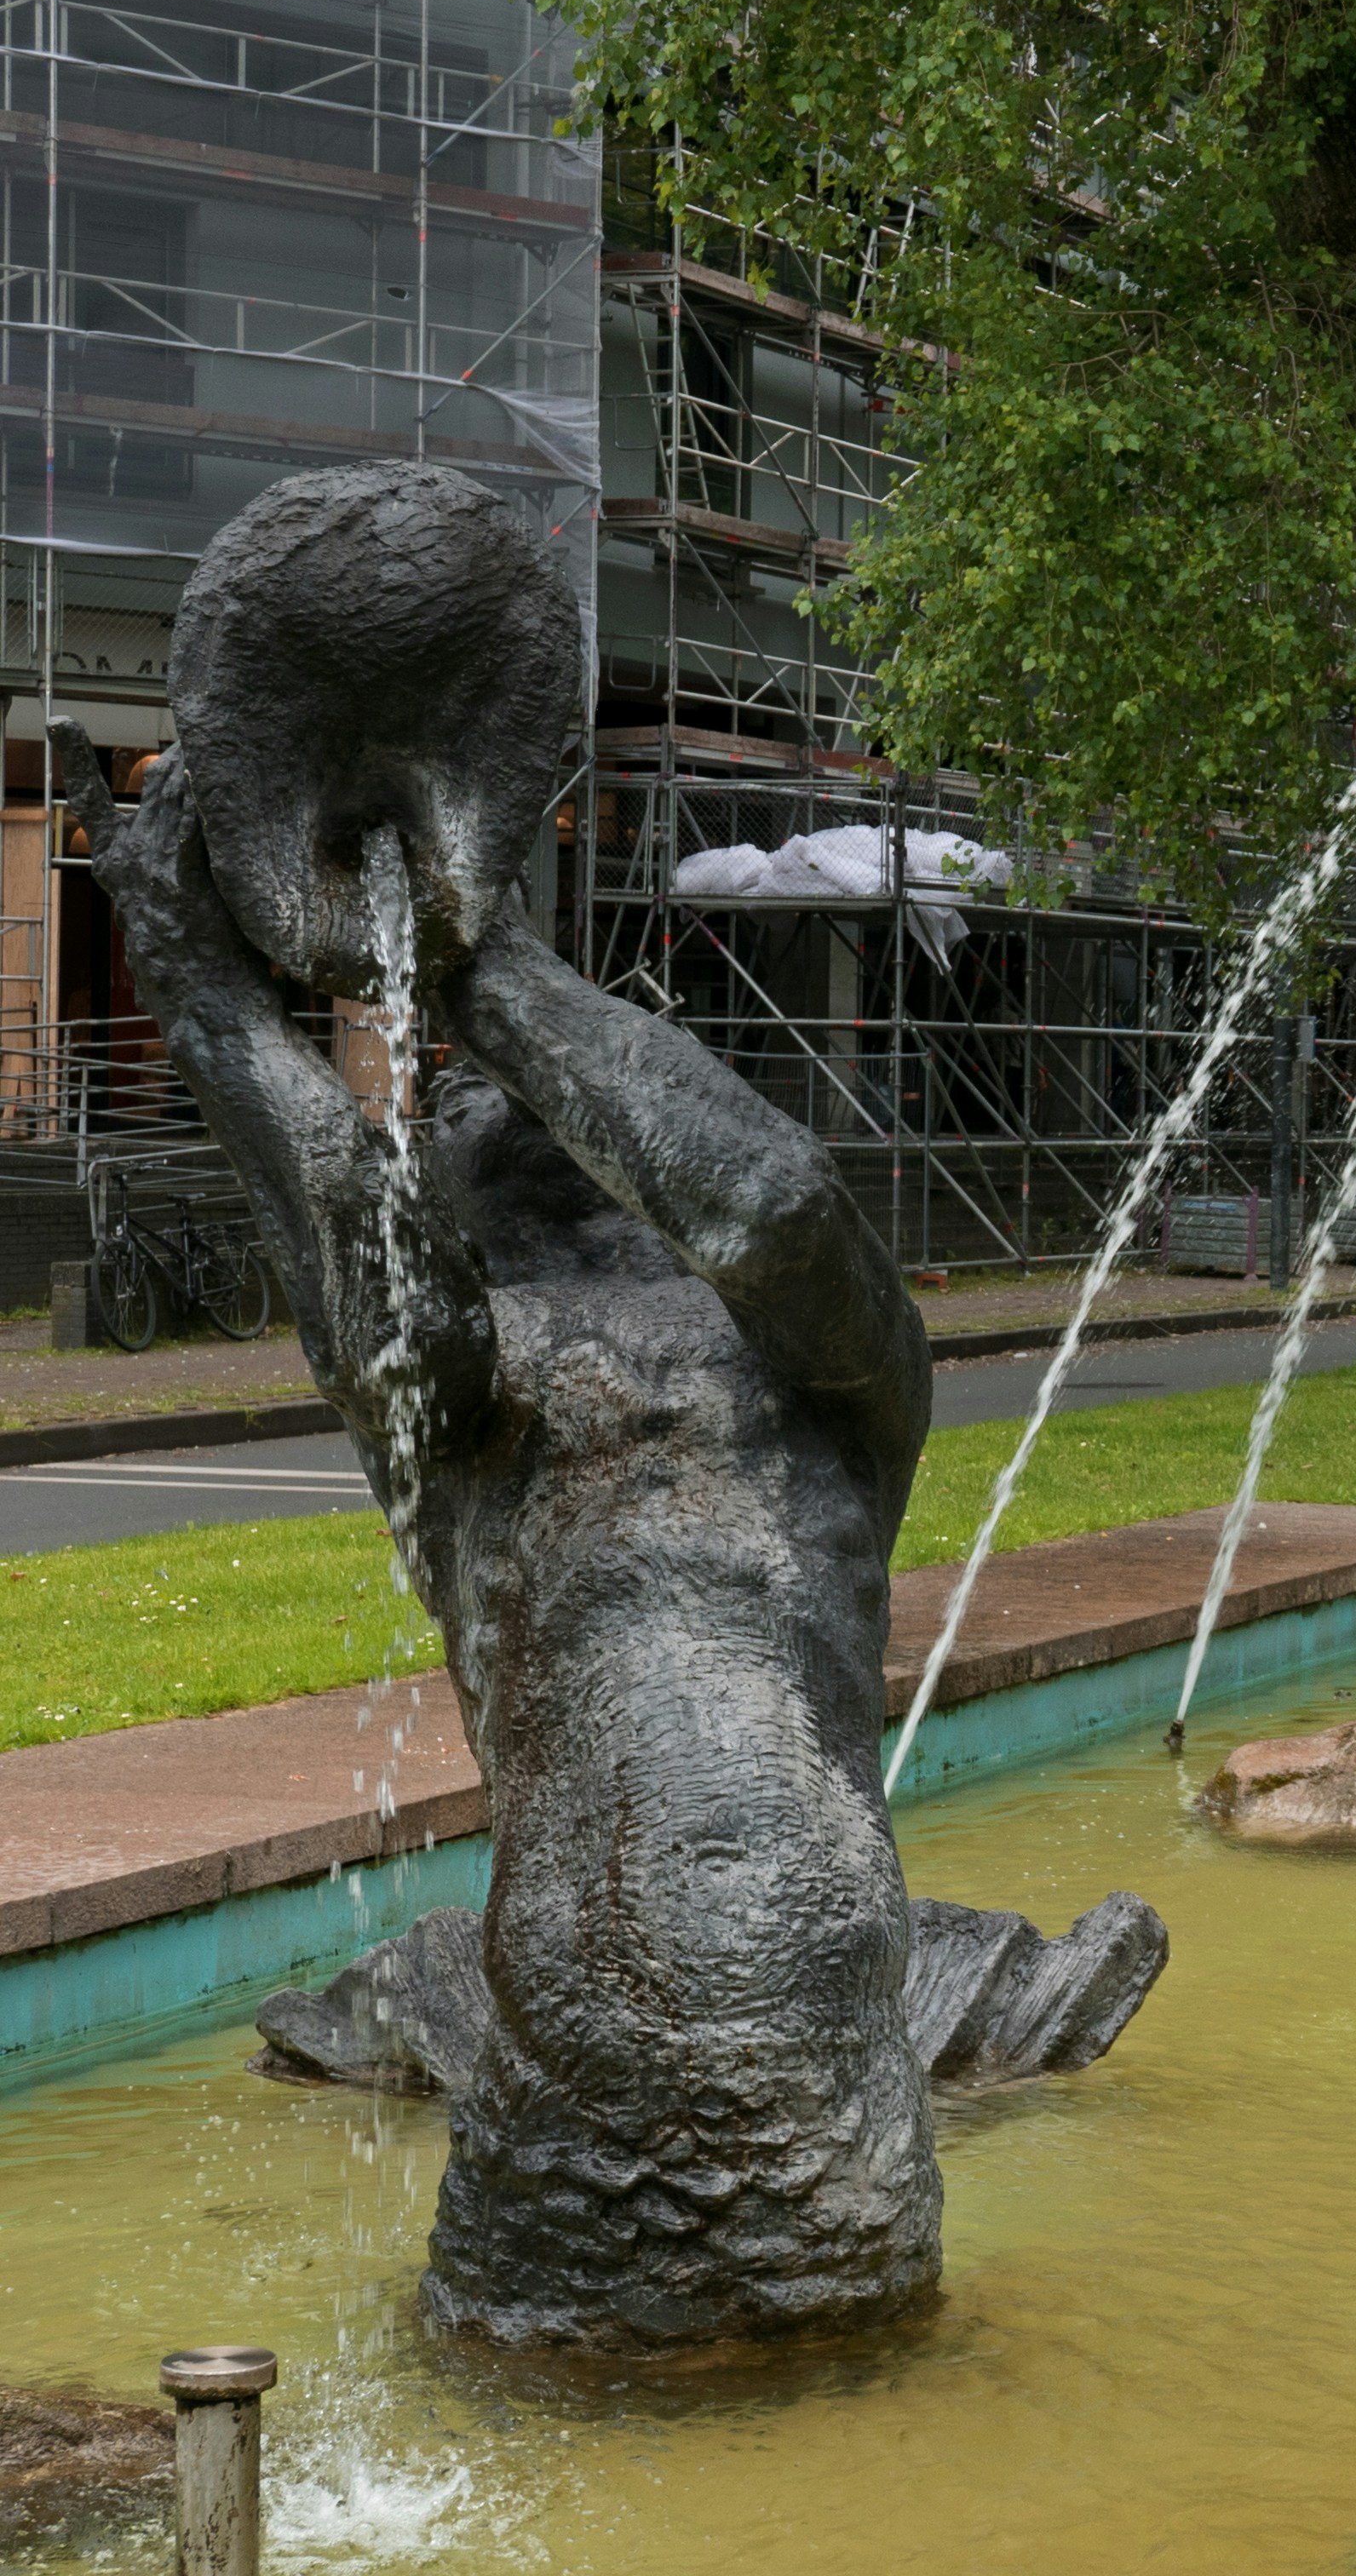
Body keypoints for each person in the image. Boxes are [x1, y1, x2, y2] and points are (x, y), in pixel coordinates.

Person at [59, 717, 942, 2347]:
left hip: (826, 2139)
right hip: (572, 2166)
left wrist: (479, 966)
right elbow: (351, 1213)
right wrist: (199, 994)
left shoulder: (834, 1380)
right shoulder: (464, 1399)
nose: (469, 1105)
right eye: (452, 1099)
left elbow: (772, 1206)